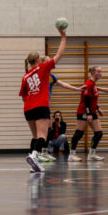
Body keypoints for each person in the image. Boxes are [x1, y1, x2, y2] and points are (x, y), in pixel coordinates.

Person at [19, 26, 67, 173]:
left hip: (28, 108)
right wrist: (63, 37)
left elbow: (24, 96)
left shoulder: (25, 76)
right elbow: (59, 54)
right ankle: (34, 156)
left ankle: (34, 164)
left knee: (35, 136)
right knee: (42, 136)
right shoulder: (43, 68)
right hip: (41, 106)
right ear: (37, 60)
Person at [67, 66, 107, 162]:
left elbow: (92, 99)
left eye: (101, 72)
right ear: (93, 72)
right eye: (98, 72)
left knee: (99, 133)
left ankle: (91, 154)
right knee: (79, 133)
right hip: (84, 111)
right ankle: (71, 155)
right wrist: (88, 113)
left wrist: (97, 108)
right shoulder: (89, 84)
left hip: (92, 111)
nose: (100, 73)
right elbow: (86, 100)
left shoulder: (93, 84)